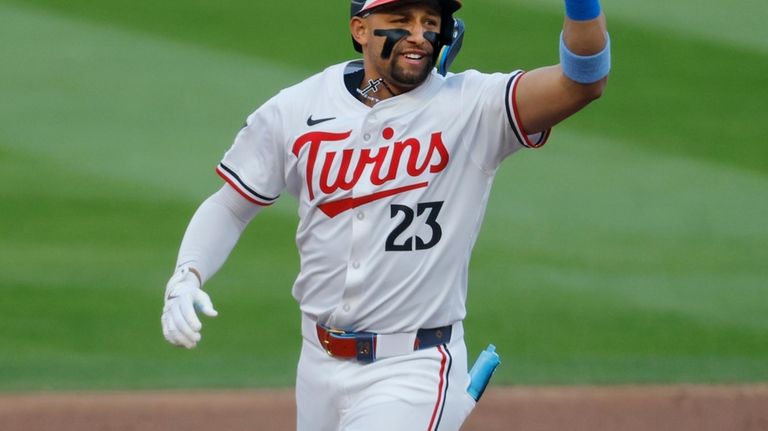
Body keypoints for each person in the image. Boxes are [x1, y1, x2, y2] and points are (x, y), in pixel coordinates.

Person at [161, 0, 610, 429]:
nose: (419, 35)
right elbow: (231, 205)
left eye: (430, 23)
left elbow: (583, 80)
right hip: (316, 364)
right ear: (360, 29)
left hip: (412, 367)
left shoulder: (475, 106)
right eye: (402, 20)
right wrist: (187, 274)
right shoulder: (297, 109)